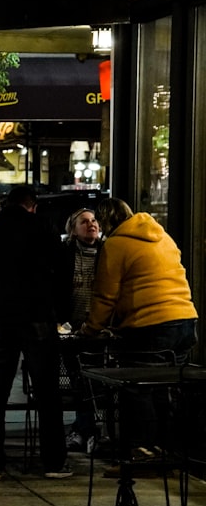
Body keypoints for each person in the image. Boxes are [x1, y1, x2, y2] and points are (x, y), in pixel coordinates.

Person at [0, 186, 73, 481]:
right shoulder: (43, 228)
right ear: (32, 206)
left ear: (6, 203)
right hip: (38, 317)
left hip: (0, 316)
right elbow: (64, 272)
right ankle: (53, 462)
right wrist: (61, 314)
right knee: (47, 393)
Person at [78, 197, 198, 461]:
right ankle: (166, 449)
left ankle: (142, 451)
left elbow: (105, 296)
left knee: (138, 388)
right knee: (166, 387)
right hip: (185, 321)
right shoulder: (162, 236)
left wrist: (90, 329)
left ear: (107, 220)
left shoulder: (116, 244)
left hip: (149, 325)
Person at [56, 208, 102, 452]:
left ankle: (83, 430)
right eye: (84, 222)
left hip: (100, 329)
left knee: (93, 383)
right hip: (71, 329)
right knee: (79, 381)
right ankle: (87, 430)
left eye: (93, 220)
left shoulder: (107, 253)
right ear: (72, 229)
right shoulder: (65, 254)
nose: (91, 225)